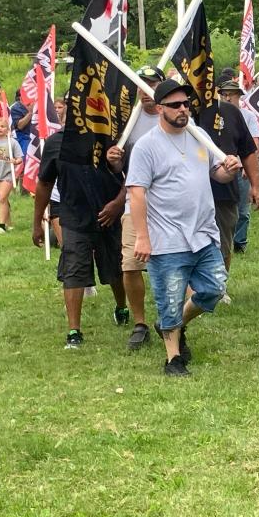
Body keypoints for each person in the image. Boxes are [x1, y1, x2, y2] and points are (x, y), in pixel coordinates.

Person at [126, 77, 242, 376]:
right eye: (176, 105)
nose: (183, 110)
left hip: (203, 233)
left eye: (187, 105)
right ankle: (173, 359)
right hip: (166, 237)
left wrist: (229, 171)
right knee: (170, 296)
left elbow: (216, 174)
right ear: (160, 108)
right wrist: (142, 237)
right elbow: (137, 192)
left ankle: (176, 323)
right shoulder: (146, 146)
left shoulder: (198, 134)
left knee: (214, 289)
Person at [32, 105, 129, 349]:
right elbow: (44, 183)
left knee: (114, 267)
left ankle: (121, 306)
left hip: (107, 214)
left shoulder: (109, 137)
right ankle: (74, 330)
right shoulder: (56, 143)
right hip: (74, 215)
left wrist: (117, 204)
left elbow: (133, 176)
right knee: (74, 268)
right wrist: (37, 222)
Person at [104, 65, 167, 349]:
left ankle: (171, 318)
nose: (146, 90)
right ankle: (140, 323)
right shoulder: (128, 119)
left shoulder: (175, 119)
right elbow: (122, 166)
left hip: (168, 203)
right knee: (130, 265)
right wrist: (115, 160)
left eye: (152, 84)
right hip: (134, 201)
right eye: (141, 85)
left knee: (172, 265)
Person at [208, 79, 259, 272]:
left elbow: (247, 150)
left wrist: (256, 186)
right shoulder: (184, 113)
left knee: (224, 240)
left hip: (225, 190)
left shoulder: (230, 112)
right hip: (190, 192)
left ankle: (220, 285)